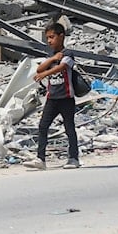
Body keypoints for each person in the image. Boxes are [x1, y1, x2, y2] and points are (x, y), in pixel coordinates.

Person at [23, 22, 80, 170]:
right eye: (47, 38)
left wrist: (44, 74)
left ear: (61, 36)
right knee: (43, 126)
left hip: (66, 98)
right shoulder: (52, 56)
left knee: (69, 128)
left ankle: (74, 158)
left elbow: (62, 67)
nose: (49, 41)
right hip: (52, 98)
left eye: (52, 37)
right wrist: (52, 59)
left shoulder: (68, 54)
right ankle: (40, 159)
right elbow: (40, 68)